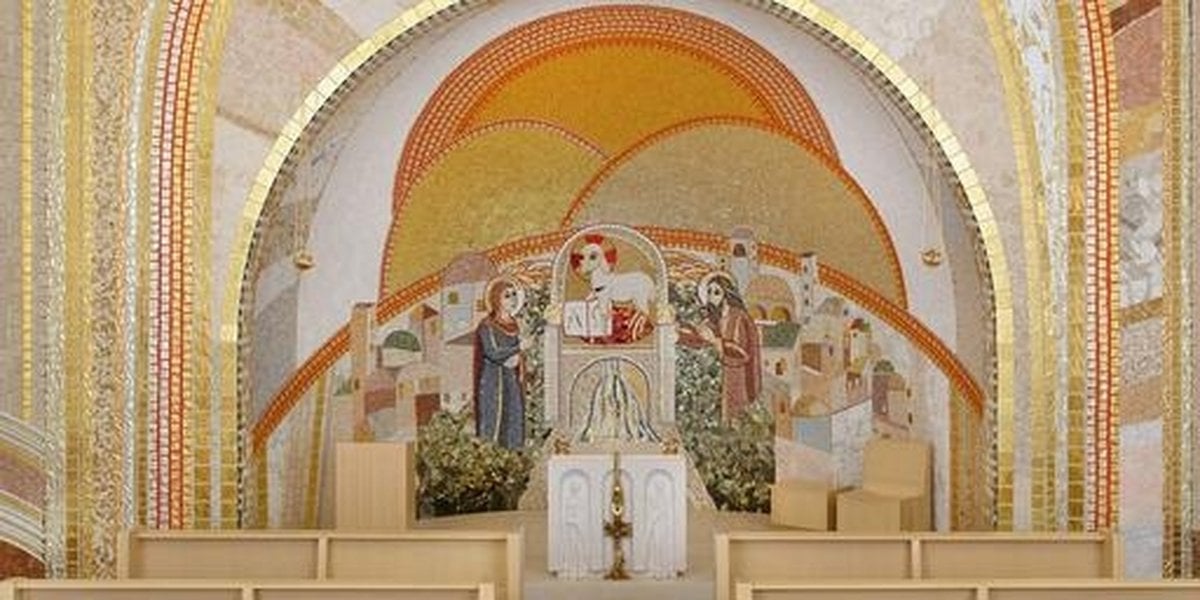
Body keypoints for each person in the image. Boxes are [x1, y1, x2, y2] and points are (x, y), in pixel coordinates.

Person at [679, 272, 762, 421]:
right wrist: (679, 332)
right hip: (717, 377)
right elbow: (699, 338)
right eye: (709, 292)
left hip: (735, 375)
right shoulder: (713, 318)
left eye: (716, 292)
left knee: (734, 417)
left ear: (726, 295)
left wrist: (716, 342)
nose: (711, 296)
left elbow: (742, 353)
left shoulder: (738, 318)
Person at [473, 278, 531, 449]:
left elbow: (520, 353)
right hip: (493, 380)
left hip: (511, 378)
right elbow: (492, 352)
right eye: (507, 296)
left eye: (514, 295)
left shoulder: (516, 325)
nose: (512, 299)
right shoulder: (487, 326)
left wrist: (520, 357)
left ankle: (513, 455)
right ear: (496, 299)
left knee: (513, 415)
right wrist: (518, 348)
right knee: (494, 418)